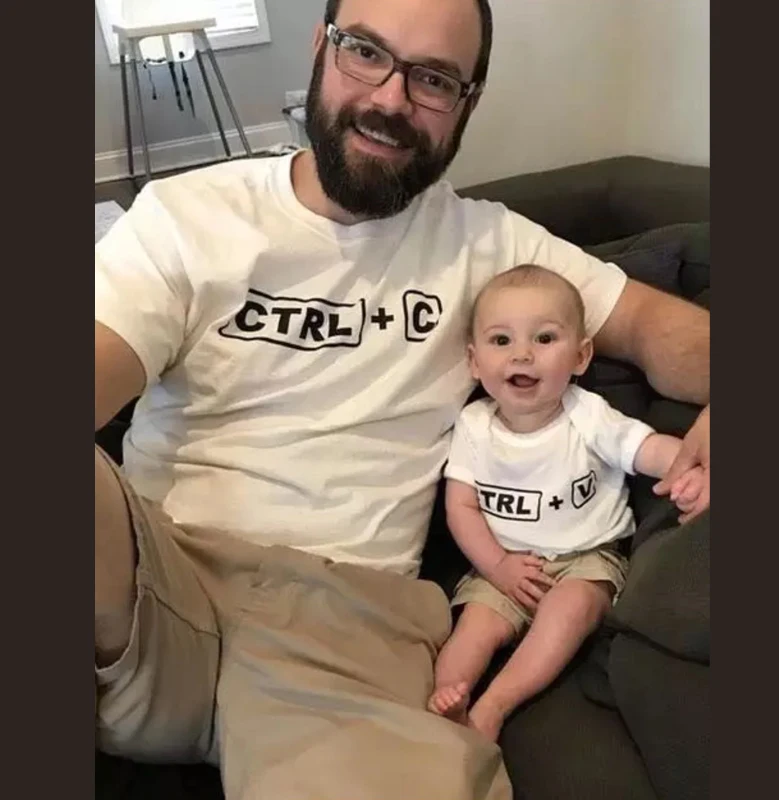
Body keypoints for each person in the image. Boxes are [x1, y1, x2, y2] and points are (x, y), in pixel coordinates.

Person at [94, 0, 710, 797]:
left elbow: (660, 328)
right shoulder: (188, 215)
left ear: (466, 104)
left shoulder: (491, 244)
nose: (390, 98)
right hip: (149, 581)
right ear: (320, 49)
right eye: (365, 53)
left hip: (347, 621)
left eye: (432, 78)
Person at [426, 265, 707, 741]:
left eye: (544, 338)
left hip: (586, 559)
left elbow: (646, 449)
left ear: (580, 356)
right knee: (473, 629)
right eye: (501, 342)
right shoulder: (474, 426)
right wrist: (498, 567)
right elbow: (462, 508)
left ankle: (496, 704)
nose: (522, 355)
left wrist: (690, 471)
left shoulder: (586, 414)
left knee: (573, 606)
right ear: (474, 362)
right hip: (503, 565)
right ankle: (445, 704)